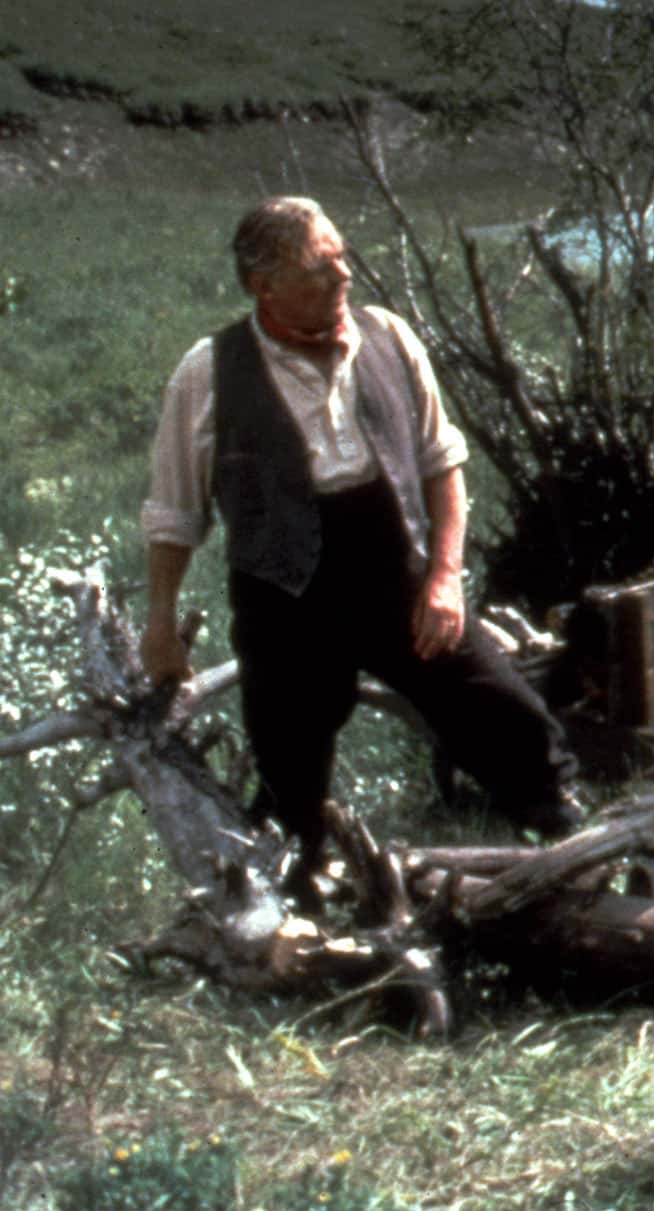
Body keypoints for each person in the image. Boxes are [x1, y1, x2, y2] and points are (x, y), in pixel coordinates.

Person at [141, 197, 579, 886]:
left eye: (342, 253)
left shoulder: (389, 336)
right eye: (323, 264)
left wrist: (443, 578)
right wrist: (161, 624)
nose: (346, 272)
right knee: (290, 775)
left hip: (391, 572)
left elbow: (442, 464)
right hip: (282, 596)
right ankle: (297, 894)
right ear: (266, 285)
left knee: (510, 716)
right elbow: (173, 513)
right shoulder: (208, 371)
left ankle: (558, 846)